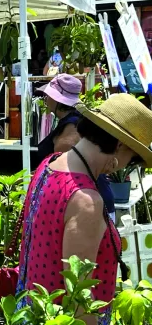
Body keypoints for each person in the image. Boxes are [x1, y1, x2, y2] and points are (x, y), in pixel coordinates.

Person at [15, 94, 152, 325]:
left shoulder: (50, 166)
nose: (126, 166)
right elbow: (79, 296)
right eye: (133, 157)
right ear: (119, 147)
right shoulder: (86, 201)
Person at [34, 74, 115, 218]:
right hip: (89, 201)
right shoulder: (74, 121)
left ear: (58, 99)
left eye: (48, 94)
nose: (45, 97)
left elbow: (64, 169)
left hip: (88, 207)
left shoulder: (72, 126)